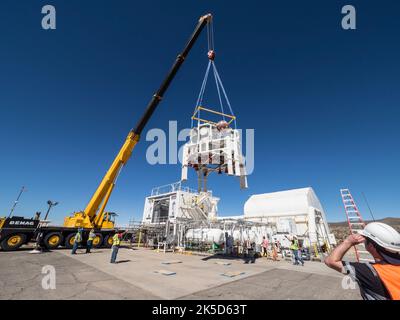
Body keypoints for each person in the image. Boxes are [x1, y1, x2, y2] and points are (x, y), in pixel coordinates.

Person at [325, 222, 400, 300]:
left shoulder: (368, 272)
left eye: (365, 239)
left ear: (371, 246)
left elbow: (330, 261)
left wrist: (348, 242)